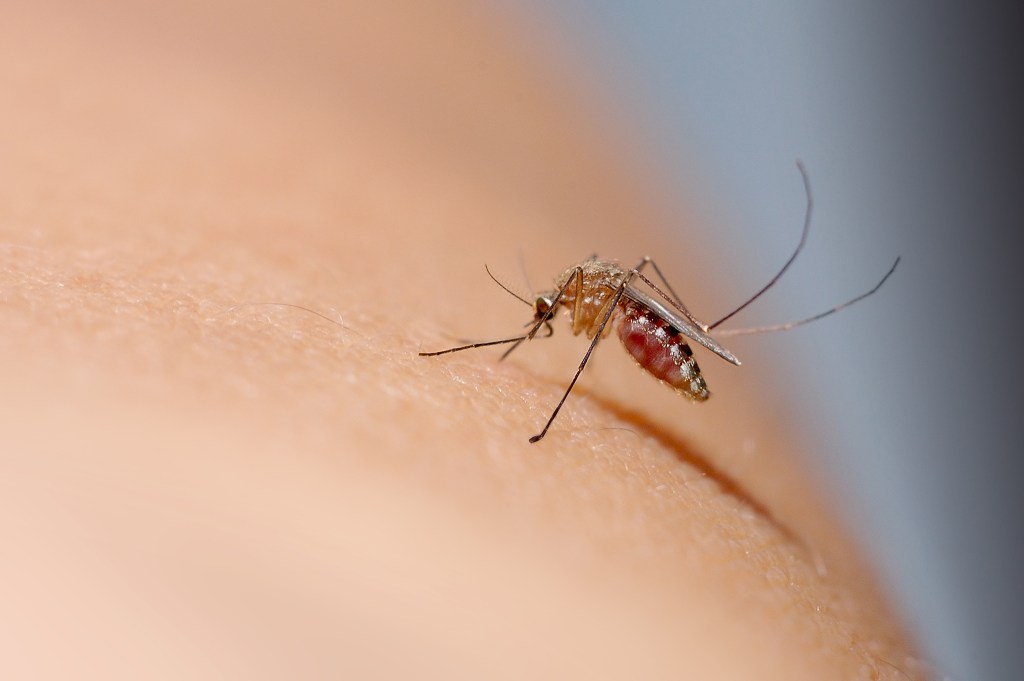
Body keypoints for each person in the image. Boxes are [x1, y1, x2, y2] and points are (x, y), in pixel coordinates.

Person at [0, 2, 922, 678]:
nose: (547, 321)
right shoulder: (573, 295)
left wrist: (677, 339)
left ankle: (706, 336)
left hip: (659, 328)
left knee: (622, 278)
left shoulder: (594, 303)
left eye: (541, 318)